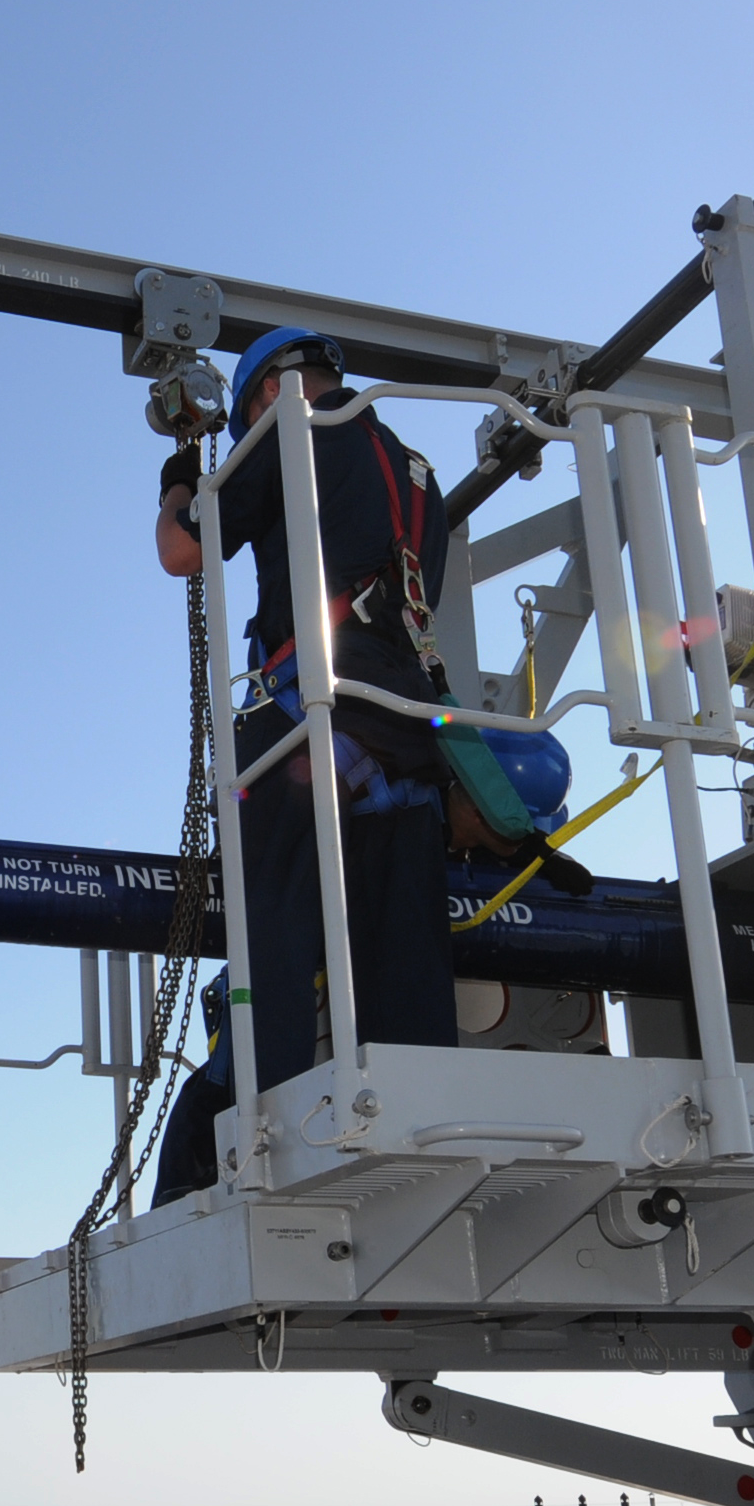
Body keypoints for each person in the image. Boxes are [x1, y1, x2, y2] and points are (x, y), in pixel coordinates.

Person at [155, 327, 459, 1090]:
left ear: (266, 391)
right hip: (410, 732)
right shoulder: (421, 476)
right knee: (406, 956)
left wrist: (180, 484)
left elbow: (180, 552)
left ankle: (269, 1113)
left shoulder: (290, 430)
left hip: (310, 719)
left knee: (276, 925)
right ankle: (418, 1107)